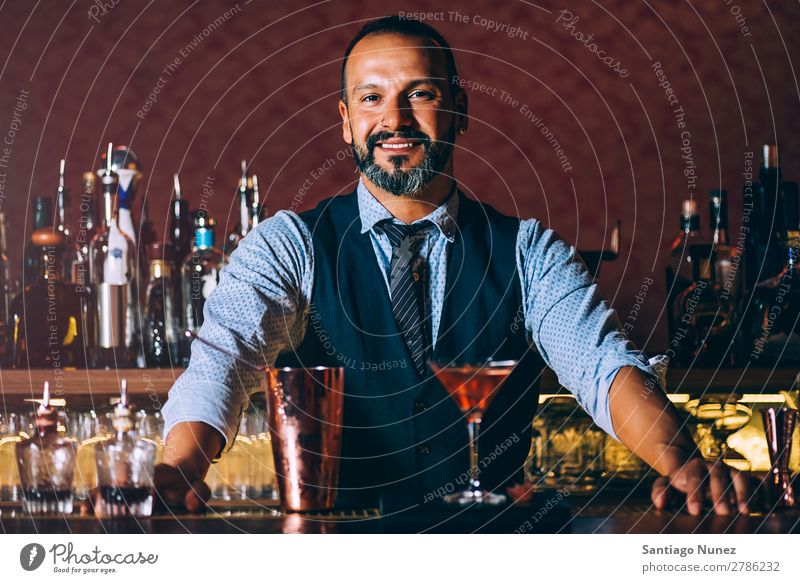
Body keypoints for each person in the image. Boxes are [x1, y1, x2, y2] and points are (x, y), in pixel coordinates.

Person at [157, 16, 751, 515]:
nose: (395, 120)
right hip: (336, 554)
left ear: (460, 110)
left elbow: (603, 368)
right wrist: (182, 466)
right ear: (346, 121)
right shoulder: (288, 245)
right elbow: (222, 361)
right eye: (372, 98)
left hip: (493, 554)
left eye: (420, 94)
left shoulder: (528, 251)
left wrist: (683, 465)